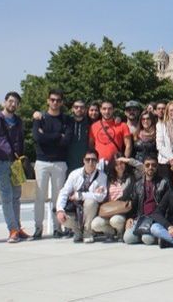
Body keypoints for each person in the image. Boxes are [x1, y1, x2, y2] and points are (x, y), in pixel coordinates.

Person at [0, 91, 28, 243]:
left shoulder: (18, 121)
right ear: (4, 102)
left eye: (16, 102)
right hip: (0, 162)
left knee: (16, 196)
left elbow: (21, 140)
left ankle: (17, 226)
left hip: (15, 162)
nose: (13, 104)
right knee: (6, 197)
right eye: (10, 101)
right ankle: (12, 229)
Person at [33, 88, 72, 239]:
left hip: (59, 162)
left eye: (58, 100)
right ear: (48, 100)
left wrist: (47, 136)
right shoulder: (40, 118)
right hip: (42, 161)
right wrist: (57, 135)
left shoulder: (66, 120)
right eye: (52, 99)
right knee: (39, 198)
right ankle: (38, 228)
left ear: (61, 102)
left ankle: (57, 228)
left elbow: (66, 141)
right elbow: (37, 138)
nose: (55, 102)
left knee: (58, 198)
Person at [55, 148, 108, 243]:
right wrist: (60, 210)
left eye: (93, 160)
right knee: (62, 218)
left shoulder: (102, 176)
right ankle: (78, 232)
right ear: (83, 160)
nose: (90, 162)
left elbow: (101, 196)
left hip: (91, 211)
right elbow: (64, 192)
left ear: (97, 161)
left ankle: (88, 232)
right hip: (75, 208)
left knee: (90, 202)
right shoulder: (75, 174)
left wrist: (80, 195)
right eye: (88, 160)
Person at [123, 155, 170, 245]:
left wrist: (164, 222)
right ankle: (141, 234)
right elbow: (133, 204)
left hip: (155, 220)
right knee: (128, 238)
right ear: (143, 167)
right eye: (147, 165)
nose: (150, 167)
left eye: (153, 165)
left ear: (157, 167)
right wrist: (129, 218)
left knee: (148, 239)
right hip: (141, 218)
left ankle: (147, 235)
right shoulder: (138, 184)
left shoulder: (164, 183)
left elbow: (168, 206)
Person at [91, 156, 139, 242]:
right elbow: (99, 190)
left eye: (121, 163)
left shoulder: (131, 178)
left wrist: (128, 160)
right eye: (116, 164)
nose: (119, 166)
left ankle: (120, 232)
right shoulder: (108, 178)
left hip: (122, 210)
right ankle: (111, 232)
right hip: (108, 209)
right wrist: (98, 190)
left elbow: (142, 168)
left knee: (115, 220)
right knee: (95, 224)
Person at [67, 100, 91, 174]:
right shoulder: (66, 121)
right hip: (67, 164)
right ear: (72, 109)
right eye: (76, 107)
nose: (79, 109)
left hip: (84, 164)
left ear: (85, 109)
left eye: (81, 107)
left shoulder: (90, 123)